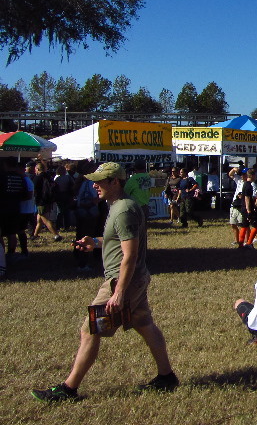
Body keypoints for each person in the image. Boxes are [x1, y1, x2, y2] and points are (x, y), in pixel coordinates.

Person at [31, 162, 177, 402]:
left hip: (121, 280)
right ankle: (167, 376)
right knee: (144, 324)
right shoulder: (120, 206)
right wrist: (97, 243)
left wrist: (118, 292)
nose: (94, 185)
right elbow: (121, 242)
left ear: (115, 182)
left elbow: (129, 255)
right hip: (134, 279)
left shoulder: (124, 210)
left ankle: (68, 389)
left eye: (100, 181)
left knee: (89, 329)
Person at [32, 162, 62, 241]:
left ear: (38, 169)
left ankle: (56, 235)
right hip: (49, 200)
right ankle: (35, 235)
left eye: (35, 169)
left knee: (45, 219)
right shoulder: (49, 177)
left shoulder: (37, 178)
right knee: (39, 220)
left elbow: (34, 190)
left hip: (41, 201)